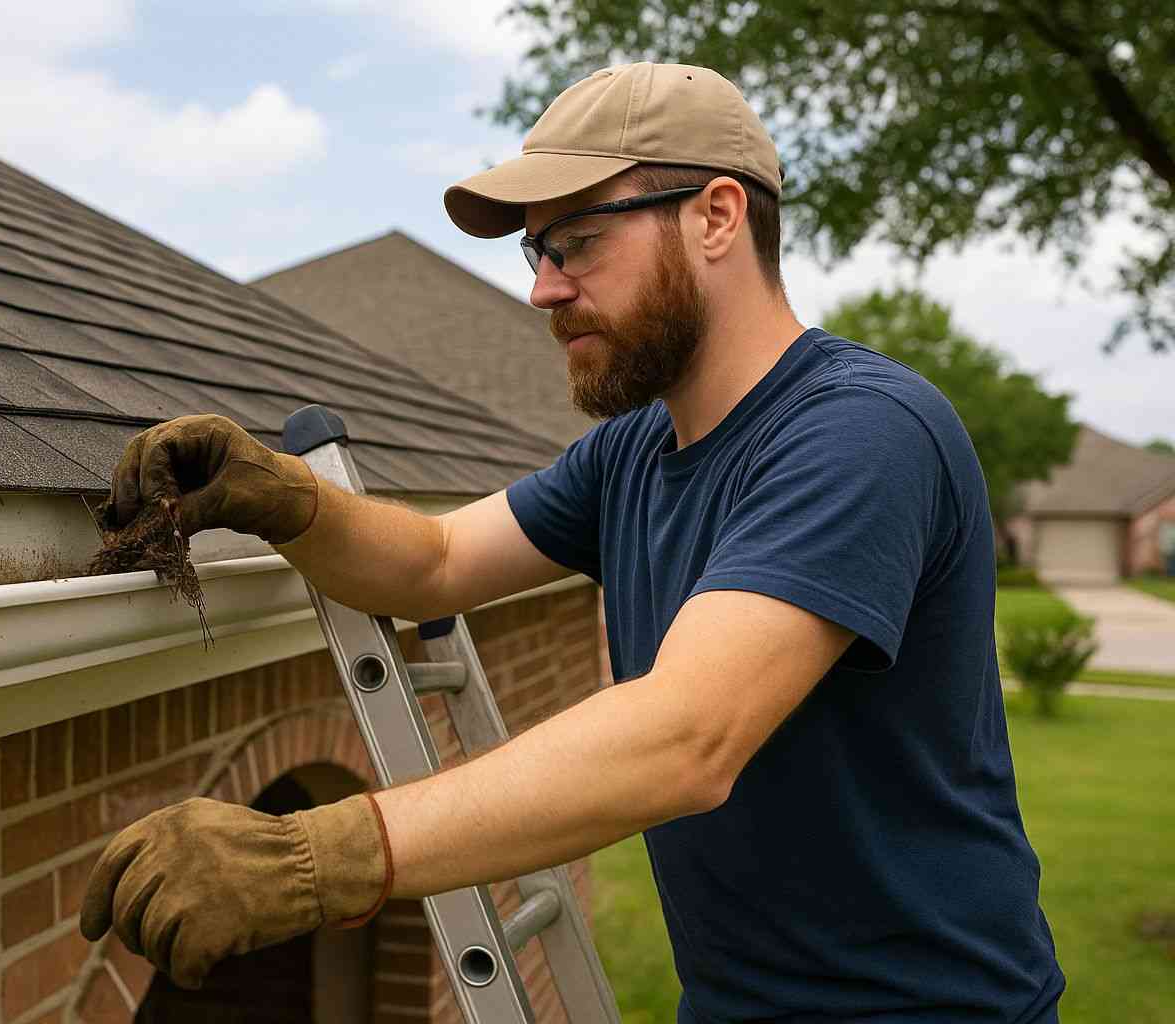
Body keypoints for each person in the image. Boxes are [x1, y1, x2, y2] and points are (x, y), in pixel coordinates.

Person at [79, 62, 1064, 1022]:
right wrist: (283, 498)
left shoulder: (861, 432)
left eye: (580, 243)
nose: (545, 291)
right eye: (535, 254)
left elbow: (687, 738)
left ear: (718, 216)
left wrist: (314, 857)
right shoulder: (634, 451)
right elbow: (436, 566)